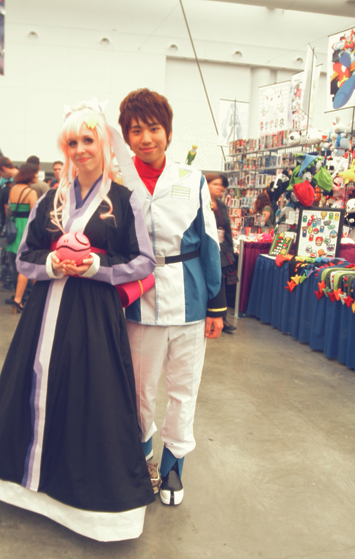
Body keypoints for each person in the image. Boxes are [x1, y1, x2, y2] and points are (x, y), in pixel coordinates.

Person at [0, 101, 156, 542]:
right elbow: (24, 256)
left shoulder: (124, 201)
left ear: (104, 143)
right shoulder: (50, 200)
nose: (80, 149)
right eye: (72, 142)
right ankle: (25, 486)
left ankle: (85, 505)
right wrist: (52, 263)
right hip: (44, 314)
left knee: (89, 396)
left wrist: (97, 267)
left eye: (88, 140)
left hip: (94, 317)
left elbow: (144, 260)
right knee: (35, 386)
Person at [118, 88, 227, 506]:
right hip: (138, 303)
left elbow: (209, 242)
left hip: (190, 301)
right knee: (139, 390)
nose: (146, 138)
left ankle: (174, 465)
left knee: (184, 389)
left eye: (153, 128)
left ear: (167, 131)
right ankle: (140, 457)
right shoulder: (118, 180)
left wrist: (216, 304)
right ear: (126, 137)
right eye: (136, 131)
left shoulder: (191, 179)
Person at [206, 173, 237, 334]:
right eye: (215, 184)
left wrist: (229, 250)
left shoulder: (222, 206)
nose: (219, 188)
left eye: (221, 186)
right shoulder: (200, 203)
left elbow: (227, 229)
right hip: (206, 250)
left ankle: (221, 318)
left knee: (220, 283)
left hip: (222, 250)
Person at [6, 163, 39, 312]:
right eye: (35, 173)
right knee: (27, 263)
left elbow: (9, 209)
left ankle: (20, 297)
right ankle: (21, 299)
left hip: (14, 226)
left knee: (17, 263)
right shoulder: (31, 192)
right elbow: (34, 215)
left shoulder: (13, 189)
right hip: (25, 227)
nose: (37, 176)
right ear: (29, 175)